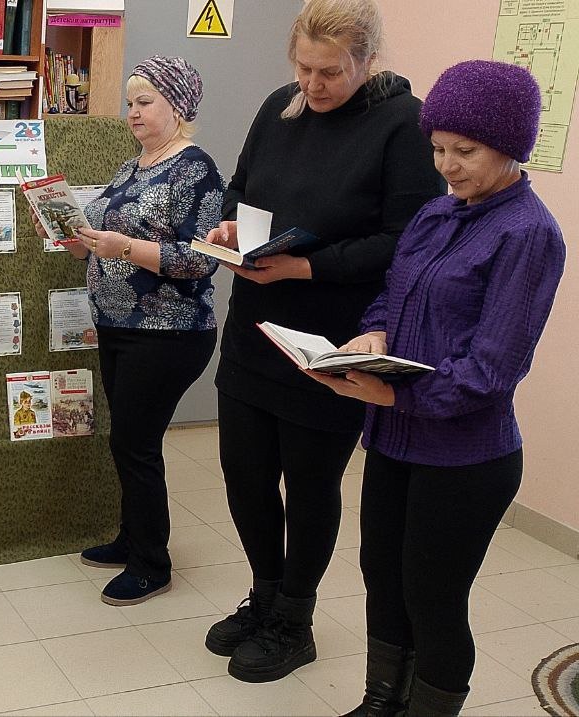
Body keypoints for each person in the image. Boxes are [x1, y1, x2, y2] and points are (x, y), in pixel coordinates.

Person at [305, 60, 565, 717]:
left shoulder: (529, 233)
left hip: (465, 457)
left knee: (433, 597)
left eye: (465, 151)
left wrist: (395, 395)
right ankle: (380, 702)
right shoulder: (435, 214)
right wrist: (372, 336)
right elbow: (391, 296)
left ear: (509, 145)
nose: (447, 165)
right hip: (396, 440)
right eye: (439, 148)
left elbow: (492, 370)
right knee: (382, 578)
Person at [199, 0, 445, 683]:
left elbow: (404, 240)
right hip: (256, 327)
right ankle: (264, 594)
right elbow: (240, 190)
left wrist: (306, 266)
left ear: (367, 60)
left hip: (332, 340)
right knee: (244, 472)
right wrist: (230, 230)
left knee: (309, 484)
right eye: (303, 68)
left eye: (330, 72)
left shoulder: (403, 122)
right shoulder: (280, 106)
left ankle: (293, 620)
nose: (312, 84)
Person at [32, 55, 224, 607]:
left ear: (177, 106)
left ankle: (151, 563)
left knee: (135, 443)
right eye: (130, 103)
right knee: (128, 438)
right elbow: (97, 241)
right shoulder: (130, 168)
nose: (133, 112)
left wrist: (125, 248)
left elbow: (201, 258)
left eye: (145, 102)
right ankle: (131, 537)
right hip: (118, 326)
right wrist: (76, 238)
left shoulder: (195, 169)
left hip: (168, 330)